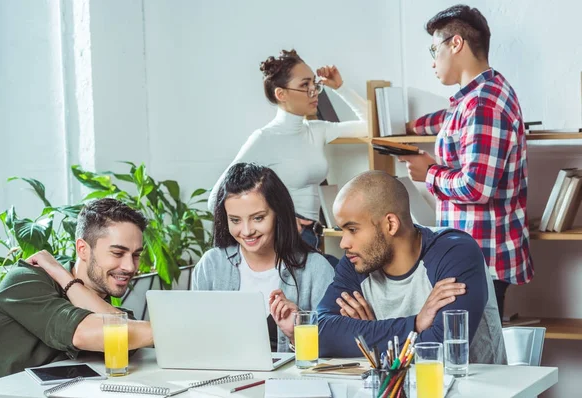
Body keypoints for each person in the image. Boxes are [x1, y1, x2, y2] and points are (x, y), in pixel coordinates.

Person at [400, 5, 533, 319]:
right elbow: (453, 119)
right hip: (475, 256)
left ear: (455, 44)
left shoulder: (483, 104)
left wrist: (429, 173)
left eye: (435, 49)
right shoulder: (480, 95)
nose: (433, 61)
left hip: (480, 259)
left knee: (472, 362)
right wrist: (416, 126)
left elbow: (476, 187)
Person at [317, 171, 506, 364]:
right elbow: (319, 334)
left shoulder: (455, 253)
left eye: (353, 230)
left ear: (390, 224)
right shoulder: (356, 261)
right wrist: (414, 325)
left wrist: (369, 334)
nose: (344, 244)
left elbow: (442, 352)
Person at [207, 49, 368, 264]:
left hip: (312, 236)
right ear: (281, 94)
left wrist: (340, 88)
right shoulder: (264, 138)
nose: (314, 91)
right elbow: (215, 200)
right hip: (283, 241)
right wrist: (278, 221)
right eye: (304, 85)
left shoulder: (316, 130)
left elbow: (371, 126)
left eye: (314, 84)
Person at [0, 198, 153, 383]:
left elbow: (127, 342)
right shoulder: (26, 279)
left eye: (136, 255)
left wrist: (63, 276)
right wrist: (174, 327)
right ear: (83, 249)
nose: (129, 266)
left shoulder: (100, 299)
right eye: (117, 253)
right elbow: (84, 333)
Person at [194, 163, 334, 352]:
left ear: (279, 213)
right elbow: (196, 338)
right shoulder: (210, 265)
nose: (246, 231)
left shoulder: (316, 269)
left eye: (258, 218)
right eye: (235, 220)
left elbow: (333, 352)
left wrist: (296, 334)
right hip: (224, 379)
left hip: (289, 380)